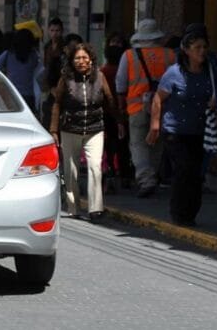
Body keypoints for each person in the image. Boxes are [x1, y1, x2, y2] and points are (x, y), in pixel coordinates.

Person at [146, 28, 216, 226]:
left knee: (196, 174)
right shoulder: (174, 73)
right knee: (184, 170)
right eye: (197, 47)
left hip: (200, 131)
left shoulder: (210, 73)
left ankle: (191, 213)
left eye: (204, 47)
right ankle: (179, 213)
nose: (202, 51)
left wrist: (215, 101)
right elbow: (158, 99)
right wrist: (155, 126)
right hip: (175, 132)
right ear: (186, 50)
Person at [50, 43, 123, 222]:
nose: (81, 61)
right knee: (71, 171)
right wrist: (54, 130)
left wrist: (119, 122)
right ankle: (73, 207)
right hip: (70, 129)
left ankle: (95, 209)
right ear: (72, 61)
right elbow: (57, 104)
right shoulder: (65, 79)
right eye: (77, 58)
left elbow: (110, 100)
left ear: (91, 60)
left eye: (84, 58)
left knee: (95, 167)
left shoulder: (100, 77)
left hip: (94, 129)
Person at [116, 18, 175, 198]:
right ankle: (152, 176)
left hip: (137, 107)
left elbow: (120, 84)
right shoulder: (170, 55)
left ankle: (145, 179)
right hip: (163, 107)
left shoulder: (128, 55)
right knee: (157, 143)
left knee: (138, 144)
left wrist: (121, 106)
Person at [100, 33, 132, 193]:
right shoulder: (127, 71)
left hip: (106, 112)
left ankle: (110, 173)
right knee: (122, 145)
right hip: (122, 111)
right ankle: (124, 174)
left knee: (107, 146)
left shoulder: (103, 71)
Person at [0, 29, 43, 113]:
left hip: (11, 94)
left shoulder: (8, 54)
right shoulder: (33, 56)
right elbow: (38, 69)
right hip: (29, 95)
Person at [41, 17, 65, 126]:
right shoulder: (47, 46)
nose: (55, 33)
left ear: (62, 31)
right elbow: (45, 65)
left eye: (57, 30)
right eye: (52, 30)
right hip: (49, 83)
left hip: (61, 81)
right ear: (48, 31)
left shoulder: (64, 46)